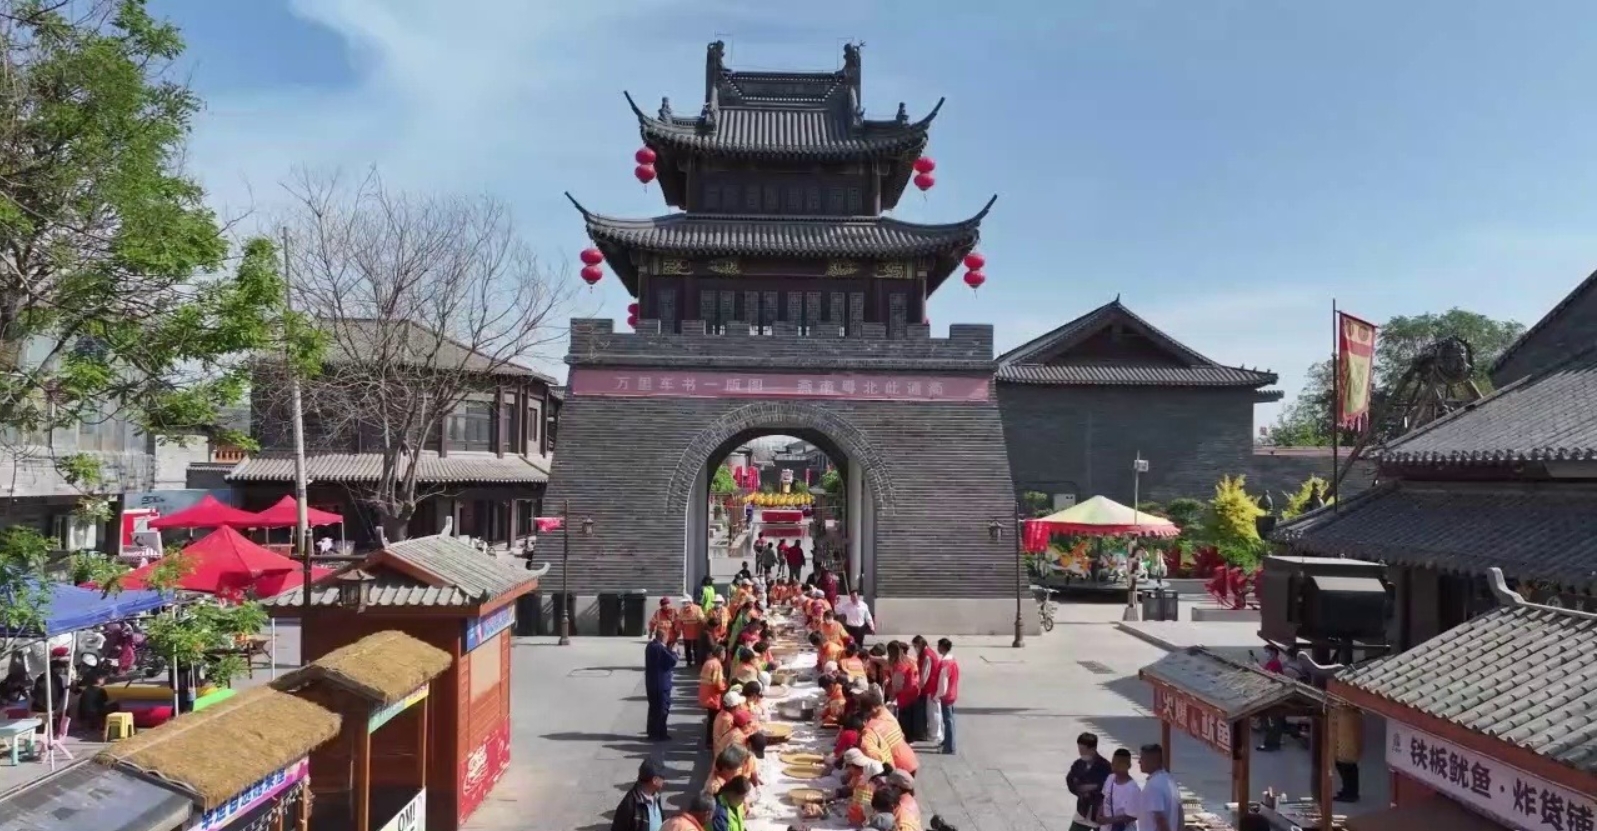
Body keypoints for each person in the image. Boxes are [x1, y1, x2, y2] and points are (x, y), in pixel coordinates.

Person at [1067, 732, 1111, 831]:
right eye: (1079, 749)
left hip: (1100, 814)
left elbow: (1109, 789)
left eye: (1083, 750)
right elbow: (1070, 781)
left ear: (1093, 749)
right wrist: (1080, 792)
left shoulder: (1106, 767)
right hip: (1082, 811)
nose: (1080, 752)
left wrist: (1092, 789)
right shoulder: (1078, 764)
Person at [610, 760, 666, 831]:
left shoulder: (656, 796)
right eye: (662, 778)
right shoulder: (629, 806)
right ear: (655, 780)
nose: (664, 781)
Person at [1137, 744, 1182, 831]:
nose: (1139, 762)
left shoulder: (1153, 786)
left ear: (1152, 761)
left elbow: (1160, 820)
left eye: (1142, 758)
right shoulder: (1170, 780)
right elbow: (1180, 814)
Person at [645, 629, 678, 741]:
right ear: (663, 636)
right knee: (662, 709)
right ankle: (659, 733)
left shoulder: (650, 646)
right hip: (661, 684)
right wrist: (674, 651)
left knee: (653, 708)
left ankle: (652, 732)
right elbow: (672, 660)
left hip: (651, 682)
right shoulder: (660, 648)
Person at [1099, 748, 1142, 831]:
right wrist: (1099, 813)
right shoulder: (1110, 778)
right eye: (1113, 762)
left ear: (1128, 766)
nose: (1113, 764)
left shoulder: (1133, 789)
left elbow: (1133, 816)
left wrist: (1109, 820)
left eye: (1118, 763)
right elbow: (1104, 798)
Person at [913, 636, 942, 747]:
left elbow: (925, 674)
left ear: (920, 644)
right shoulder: (927, 653)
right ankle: (935, 733)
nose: (915, 648)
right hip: (931, 686)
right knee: (933, 711)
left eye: (915, 646)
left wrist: (919, 687)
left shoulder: (927, 656)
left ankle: (935, 735)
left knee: (933, 712)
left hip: (931, 687)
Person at [933, 638, 959, 755]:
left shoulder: (944, 663)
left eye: (938, 646)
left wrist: (937, 695)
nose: (937, 648)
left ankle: (950, 747)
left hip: (946, 695)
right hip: (952, 693)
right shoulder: (952, 660)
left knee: (947, 721)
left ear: (942, 647)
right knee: (950, 719)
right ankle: (948, 742)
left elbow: (943, 683)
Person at [699, 645, 728, 748]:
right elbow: (718, 683)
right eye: (724, 653)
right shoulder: (717, 665)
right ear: (721, 654)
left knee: (711, 719)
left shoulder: (708, 662)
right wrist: (726, 688)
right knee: (714, 720)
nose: (725, 655)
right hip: (713, 695)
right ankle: (711, 741)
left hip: (705, 694)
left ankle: (709, 741)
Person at [1332, 705, 1363, 802]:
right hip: (1351, 748)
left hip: (1345, 748)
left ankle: (1350, 794)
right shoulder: (1356, 713)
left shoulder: (1344, 714)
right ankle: (1350, 792)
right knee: (1350, 770)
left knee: (1346, 769)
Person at [677, 597, 705, 666]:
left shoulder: (697, 609)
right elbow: (679, 621)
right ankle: (689, 662)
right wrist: (678, 630)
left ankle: (697, 662)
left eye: (685, 602)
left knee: (696, 648)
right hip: (686, 633)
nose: (684, 604)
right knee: (687, 648)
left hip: (696, 632)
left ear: (690, 602)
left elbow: (702, 620)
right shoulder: (682, 610)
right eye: (683, 603)